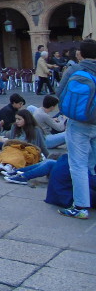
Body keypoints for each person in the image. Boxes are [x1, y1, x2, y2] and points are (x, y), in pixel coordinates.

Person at [57, 39, 96, 219]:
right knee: (92, 163)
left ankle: (80, 206)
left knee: (78, 164)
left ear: (80, 53)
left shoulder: (75, 69)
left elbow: (59, 92)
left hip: (78, 122)